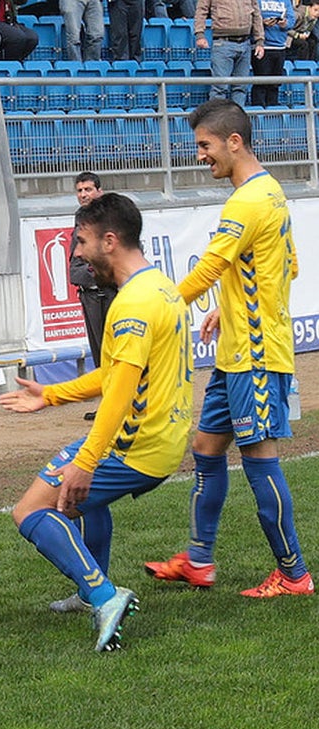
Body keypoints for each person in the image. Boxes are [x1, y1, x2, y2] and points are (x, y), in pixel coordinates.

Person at [0, 193, 195, 651]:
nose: (77, 254)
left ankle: (105, 595)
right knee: (84, 504)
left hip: (135, 445)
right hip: (163, 438)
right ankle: (94, 588)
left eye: (82, 241)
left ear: (110, 240)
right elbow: (116, 372)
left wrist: (85, 461)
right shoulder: (162, 288)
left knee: (30, 511)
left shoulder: (131, 306)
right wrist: (51, 395)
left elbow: (119, 393)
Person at [144, 99, 314, 598]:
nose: (200, 155)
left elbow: (210, 268)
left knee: (260, 460)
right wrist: (230, 307)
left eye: (204, 145)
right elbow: (288, 265)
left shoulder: (246, 202)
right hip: (236, 351)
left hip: (256, 355)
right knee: (206, 448)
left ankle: (294, 573)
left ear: (233, 142)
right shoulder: (270, 192)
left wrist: (161, 307)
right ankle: (198, 561)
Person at [70, 172, 118, 425]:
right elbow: (74, 271)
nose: (83, 195)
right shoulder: (78, 224)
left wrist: (96, 272)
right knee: (99, 353)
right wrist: (95, 272)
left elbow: (114, 264)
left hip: (111, 295)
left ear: (98, 191)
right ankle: (107, 404)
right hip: (89, 298)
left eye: (88, 189)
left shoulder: (111, 220)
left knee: (116, 352)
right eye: (80, 191)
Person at [195, 0, 265, 106]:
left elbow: (256, 14)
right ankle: (217, 120)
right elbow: (201, 10)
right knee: (220, 87)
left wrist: (259, 40)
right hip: (223, 42)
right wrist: (199, 34)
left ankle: (236, 120)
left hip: (245, 43)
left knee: (241, 87)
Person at [251, 0, 295, 106]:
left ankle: (273, 109)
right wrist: (262, 23)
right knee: (260, 83)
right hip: (262, 46)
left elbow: (292, 20)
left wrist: (285, 23)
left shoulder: (286, 1)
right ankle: (258, 110)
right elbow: (250, 19)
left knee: (275, 84)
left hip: (280, 47)